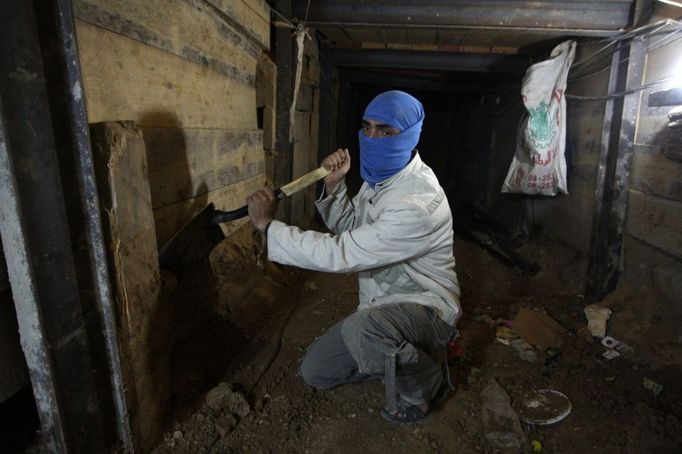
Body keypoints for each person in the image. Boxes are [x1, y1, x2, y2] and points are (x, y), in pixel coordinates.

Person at [246, 90, 461, 424]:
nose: (372, 137)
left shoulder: (417, 203)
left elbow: (344, 253)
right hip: (381, 308)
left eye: (385, 131)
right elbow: (353, 231)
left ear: (409, 135)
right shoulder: (381, 181)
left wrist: (268, 225)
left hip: (426, 309)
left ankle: (426, 384)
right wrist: (334, 187)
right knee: (316, 371)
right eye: (367, 127)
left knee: (365, 332)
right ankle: (402, 360)